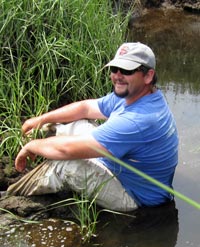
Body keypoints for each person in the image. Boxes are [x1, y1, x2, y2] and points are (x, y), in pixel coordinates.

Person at [7, 42, 179, 212]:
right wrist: (40, 120)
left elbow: (66, 151)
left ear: (148, 76)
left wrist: (33, 146)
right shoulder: (136, 93)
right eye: (115, 69)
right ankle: (32, 149)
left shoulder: (139, 120)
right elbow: (86, 108)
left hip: (134, 196)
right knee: (77, 124)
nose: (117, 76)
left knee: (65, 165)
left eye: (126, 71)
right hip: (118, 167)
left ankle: (12, 195)